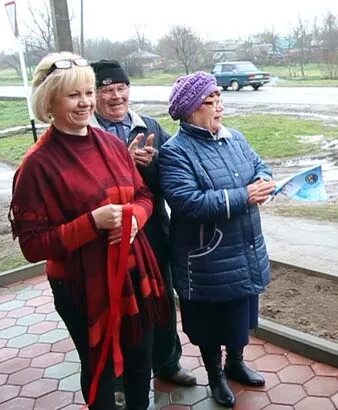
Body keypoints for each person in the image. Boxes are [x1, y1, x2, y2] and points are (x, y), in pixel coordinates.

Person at [9, 52, 170, 410]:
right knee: (99, 365)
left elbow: (143, 194)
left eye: (87, 93)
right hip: (80, 285)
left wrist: (134, 221)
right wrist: (92, 223)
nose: (85, 102)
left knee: (140, 358)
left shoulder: (112, 145)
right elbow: (33, 246)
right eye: (73, 95)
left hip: (132, 272)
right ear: (49, 100)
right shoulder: (37, 165)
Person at [159, 71, 275, 408]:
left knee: (241, 314)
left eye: (219, 99)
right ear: (189, 110)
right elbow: (188, 201)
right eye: (209, 102)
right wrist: (244, 196)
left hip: (244, 249)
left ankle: (235, 363)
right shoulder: (176, 152)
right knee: (210, 324)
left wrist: (264, 181)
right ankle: (215, 376)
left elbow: (259, 165)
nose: (218, 107)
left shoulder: (234, 137)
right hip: (205, 258)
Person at [90, 59, 196, 388]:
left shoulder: (148, 125)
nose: (116, 96)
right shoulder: (88, 133)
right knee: (118, 309)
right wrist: (122, 161)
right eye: (107, 90)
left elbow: (170, 181)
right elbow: (88, 190)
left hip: (151, 232)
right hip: (108, 239)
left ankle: (167, 363)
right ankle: (121, 380)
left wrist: (151, 165)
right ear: (93, 96)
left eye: (121, 88)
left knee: (161, 301)